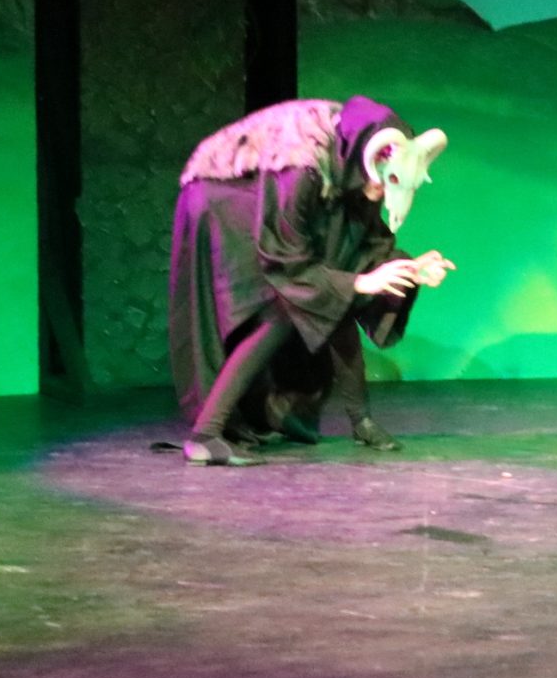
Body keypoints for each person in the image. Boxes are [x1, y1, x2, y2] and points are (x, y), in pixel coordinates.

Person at [167, 95, 456, 467]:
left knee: (335, 293)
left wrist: (411, 268)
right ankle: (205, 436)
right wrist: (358, 283)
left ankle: (361, 421)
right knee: (285, 310)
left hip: (280, 214)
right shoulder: (301, 168)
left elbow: (368, 244)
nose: (384, 194)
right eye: (386, 183)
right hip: (224, 200)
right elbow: (287, 262)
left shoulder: (357, 162)